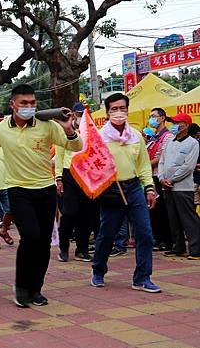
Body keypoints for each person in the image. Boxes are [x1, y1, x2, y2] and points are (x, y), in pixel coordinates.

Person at [0, 84, 82, 307]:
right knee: (30, 237)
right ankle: (21, 287)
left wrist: (68, 129)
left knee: (44, 242)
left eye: (32, 103)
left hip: (45, 190)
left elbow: (77, 146)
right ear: (13, 105)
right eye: (24, 103)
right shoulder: (0, 129)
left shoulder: (48, 126)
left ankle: (35, 289)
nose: (29, 107)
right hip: (18, 190)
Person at [90, 93, 160, 293]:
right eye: (114, 109)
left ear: (128, 110)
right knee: (107, 233)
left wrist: (149, 187)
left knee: (145, 232)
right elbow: (91, 165)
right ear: (107, 112)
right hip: (111, 190)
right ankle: (98, 270)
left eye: (122, 108)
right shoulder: (99, 138)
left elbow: (144, 165)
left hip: (134, 188)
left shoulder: (136, 136)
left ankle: (142, 278)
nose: (119, 112)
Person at [55, 103, 99, 262]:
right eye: (78, 114)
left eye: (84, 114)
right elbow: (59, 156)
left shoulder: (92, 132)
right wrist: (58, 177)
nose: (80, 117)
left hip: (87, 175)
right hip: (69, 173)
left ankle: (82, 249)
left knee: (86, 214)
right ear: (73, 114)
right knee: (69, 212)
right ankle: (64, 248)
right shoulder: (64, 131)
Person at [158, 113, 200, 260]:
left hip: (183, 187)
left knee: (188, 219)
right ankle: (178, 247)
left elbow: (188, 166)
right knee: (173, 219)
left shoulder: (192, 143)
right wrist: (162, 178)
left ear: (186, 125)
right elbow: (162, 161)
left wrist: (172, 179)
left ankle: (196, 249)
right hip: (167, 187)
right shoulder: (170, 142)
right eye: (173, 122)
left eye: (177, 122)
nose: (174, 125)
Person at [147, 108, 173, 251]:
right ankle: (157, 238)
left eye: (154, 116)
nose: (151, 119)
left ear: (162, 118)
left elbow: (161, 157)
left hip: (159, 175)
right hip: (150, 176)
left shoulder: (167, 136)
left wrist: (145, 164)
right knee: (153, 209)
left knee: (162, 208)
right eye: (150, 116)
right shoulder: (153, 137)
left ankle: (166, 240)